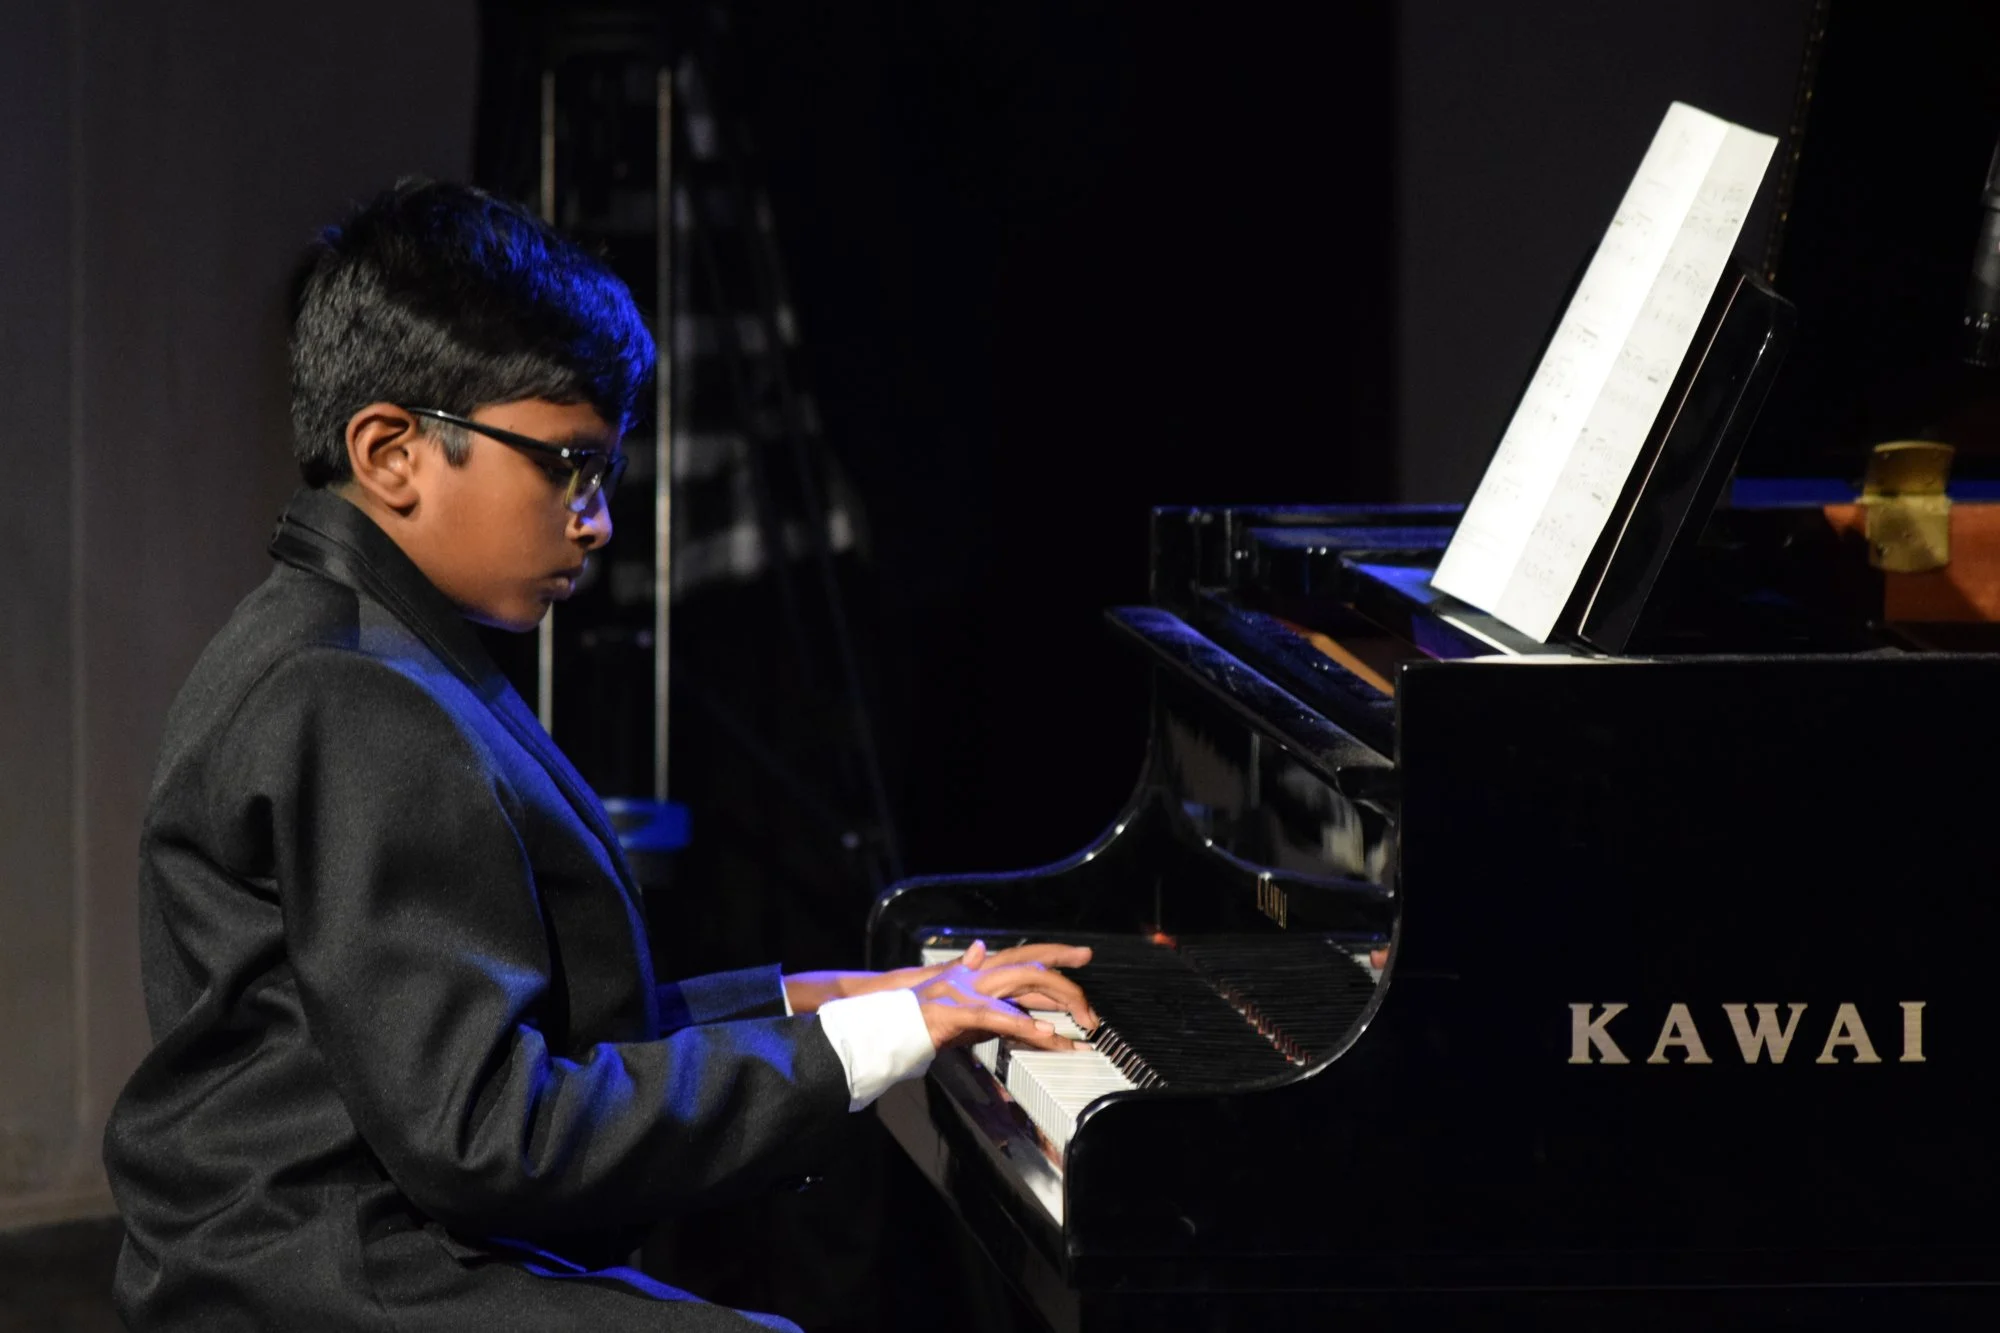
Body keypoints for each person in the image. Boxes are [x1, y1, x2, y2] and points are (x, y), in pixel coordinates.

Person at [102, 179, 1096, 1332]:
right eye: (565, 465)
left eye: (605, 471)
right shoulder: (356, 692)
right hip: (326, 1285)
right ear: (391, 452)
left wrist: (844, 998)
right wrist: (884, 1038)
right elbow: (490, 1134)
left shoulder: (361, 642)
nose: (598, 518)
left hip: (366, 1249)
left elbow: (543, 1035)